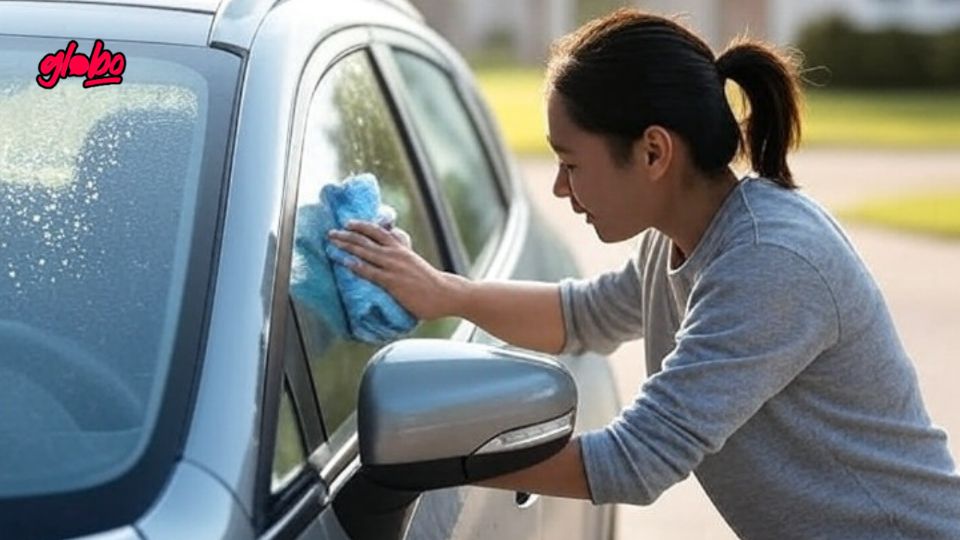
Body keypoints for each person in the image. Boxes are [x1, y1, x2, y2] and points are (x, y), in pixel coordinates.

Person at [326, 8, 960, 539]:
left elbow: (634, 461)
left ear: (654, 151)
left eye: (571, 163)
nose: (560, 188)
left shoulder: (769, 262)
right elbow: (583, 316)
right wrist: (441, 292)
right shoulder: (681, 237)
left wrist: (428, 462)